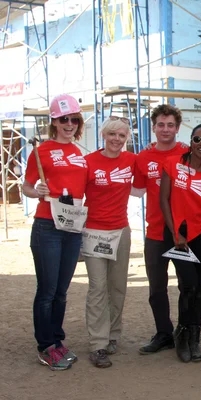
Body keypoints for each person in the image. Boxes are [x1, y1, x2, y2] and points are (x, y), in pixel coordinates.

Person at [23, 94, 88, 371]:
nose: (69, 124)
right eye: (64, 119)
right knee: (47, 290)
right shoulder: (41, 151)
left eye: (74, 119)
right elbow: (27, 185)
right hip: (47, 226)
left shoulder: (79, 152)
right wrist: (35, 191)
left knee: (61, 291)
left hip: (72, 227)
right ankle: (45, 346)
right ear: (54, 121)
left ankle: (57, 340)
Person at [160, 124, 201, 363]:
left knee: (200, 288)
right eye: (198, 138)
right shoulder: (173, 163)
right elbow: (164, 200)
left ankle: (194, 338)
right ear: (191, 141)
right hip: (178, 235)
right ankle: (182, 335)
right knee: (188, 286)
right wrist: (175, 231)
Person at [82, 116, 137, 368]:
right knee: (97, 287)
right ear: (104, 135)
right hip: (93, 231)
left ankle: (113, 335)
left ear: (126, 138)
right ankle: (98, 344)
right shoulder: (89, 162)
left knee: (117, 287)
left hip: (121, 231)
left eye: (122, 135)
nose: (116, 139)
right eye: (112, 134)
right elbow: (71, 191)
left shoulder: (131, 160)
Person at [133, 104, 188, 355]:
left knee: (188, 286)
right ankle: (164, 333)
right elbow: (136, 190)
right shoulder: (142, 157)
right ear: (153, 127)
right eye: (161, 125)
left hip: (184, 233)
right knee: (157, 288)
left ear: (177, 127)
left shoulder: (189, 153)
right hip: (155, 232)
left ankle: (187, 332)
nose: (165, 129)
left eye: (170, 125)